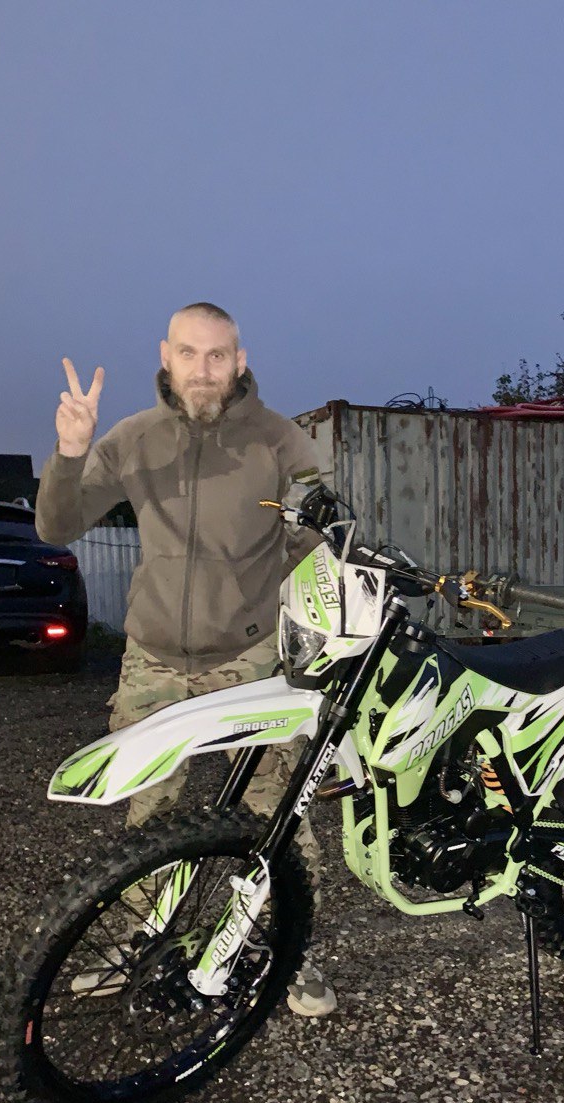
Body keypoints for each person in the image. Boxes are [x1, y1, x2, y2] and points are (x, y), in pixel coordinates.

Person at [34, 302, 335, 1017]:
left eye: (218, 354)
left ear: (240, 360)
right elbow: (56, 524)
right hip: (154, 662)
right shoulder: (133, 438)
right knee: (150, 810)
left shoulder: (279, 440)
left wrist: (277, 594)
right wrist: (71, 452)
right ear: (166, 357)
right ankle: (140, 939)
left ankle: (291, 948)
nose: (204, 369)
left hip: (251, 659)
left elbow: (319, 532)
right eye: (190, 353)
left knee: (275, 811)